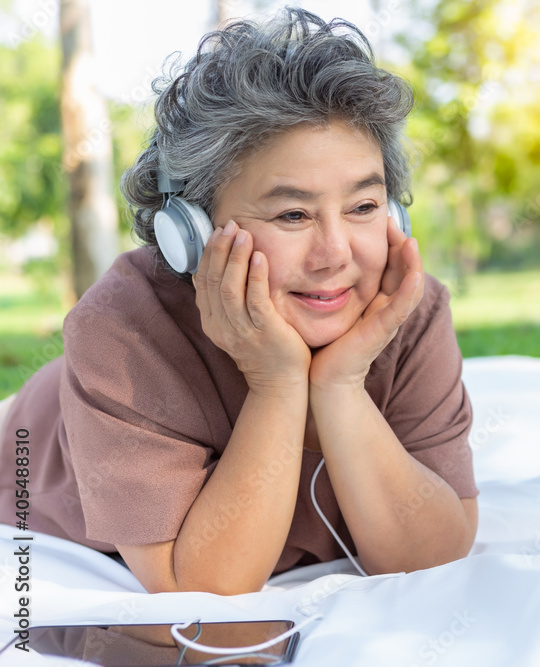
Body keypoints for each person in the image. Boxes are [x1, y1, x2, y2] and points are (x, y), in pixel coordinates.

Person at [0, 8, 478, 595]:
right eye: (292, 214)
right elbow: (203, 590)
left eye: (362, 207)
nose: (334, 254)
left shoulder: (409, 306)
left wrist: (339, 385)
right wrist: (276, 382)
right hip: (34, 445)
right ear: (191, 232)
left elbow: (435, 559)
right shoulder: (119, 333)